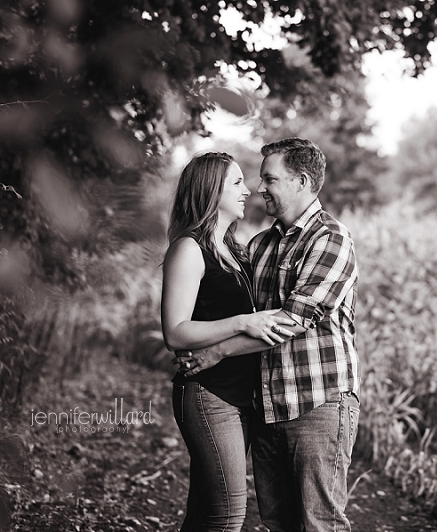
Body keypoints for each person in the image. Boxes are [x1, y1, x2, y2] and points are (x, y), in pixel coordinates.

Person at [176, 138, 360, 532]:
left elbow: (293, 320)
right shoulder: (258, 246)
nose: (260, 188)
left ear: (302, 181)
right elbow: (242, 315)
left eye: (270, 179)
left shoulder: (330, 238)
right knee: (278, 523)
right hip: (266, 409)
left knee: (319, 523)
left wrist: (217, 352)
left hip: (317, 403)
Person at [161, 151, 296, 532]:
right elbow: (175, 331)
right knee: (227, 516)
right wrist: (243, 321)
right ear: (210, 190)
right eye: (237, 183)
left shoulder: (235, 249)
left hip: (240, 396)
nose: (249, 190)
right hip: (209, 393)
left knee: (206, 514)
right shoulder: (189, 248)